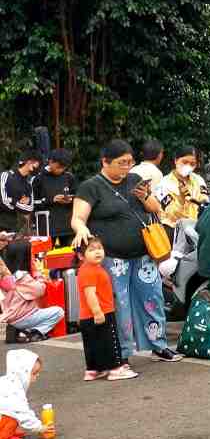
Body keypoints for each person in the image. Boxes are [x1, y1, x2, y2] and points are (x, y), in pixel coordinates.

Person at [72, 140, 182, 364]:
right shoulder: (91, 186)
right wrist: (81, 229)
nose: (127, 167)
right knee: (119, 303)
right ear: (105, 162)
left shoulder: (134, 179)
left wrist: (144, 197)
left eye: (130, 162)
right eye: (122, 163)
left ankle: (158, 345)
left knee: (152, 298)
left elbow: (155, 208)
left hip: (143, 254)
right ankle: (121, 352)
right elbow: (77, 217)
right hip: (113, 258)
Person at [76, 236, 136, 382]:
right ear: (81, 255)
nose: (97, 252)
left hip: (87, 316)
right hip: (101, 313)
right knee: (110, 342)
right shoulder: (90, 271)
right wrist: (97, 312)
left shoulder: (88, 269)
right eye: (91, 250)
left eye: (100, 248)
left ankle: (93, 370)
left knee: (93, 345)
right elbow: (90, 293)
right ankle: (116, 369)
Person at [0, 239, 65, 342]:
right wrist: (38, 274)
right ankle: (35, 332)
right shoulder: (21, 276)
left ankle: (19, 331)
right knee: (58, 311)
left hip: (10, 316)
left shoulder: (5, 276)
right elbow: (40, 290)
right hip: (23, 317)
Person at [0, 349, 48, 439]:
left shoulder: (8, 381)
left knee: (10, 412)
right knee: (12, 416)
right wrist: (39, 427)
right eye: (34, 373)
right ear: (23, 373)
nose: (37, 376)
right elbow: (22, 412)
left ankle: (9, 431)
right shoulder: (14, 389)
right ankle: (2, 438)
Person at [156, 147, 209, 229]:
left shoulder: (199, 180)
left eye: (192, 164)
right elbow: (171, 214)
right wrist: (181, 199)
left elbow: (205, 202)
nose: (188, 166)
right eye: (184, 162)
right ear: (176, 160)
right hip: (173, 230)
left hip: (196, 228)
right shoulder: (163, 184)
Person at [2, 150, 42, 234]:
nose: (38, 166)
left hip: (13, 227)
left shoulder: (28, 184)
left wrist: (12, 201)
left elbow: (30, 208)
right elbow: (3, 200)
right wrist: (18, 203)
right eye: (37, 163)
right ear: (29, 162)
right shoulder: (6, 175)